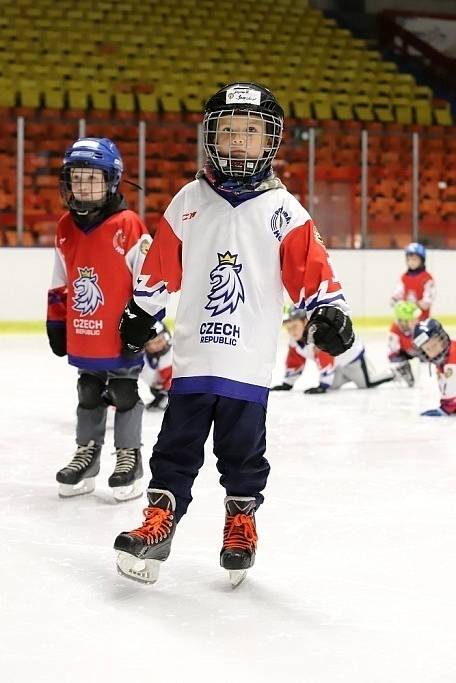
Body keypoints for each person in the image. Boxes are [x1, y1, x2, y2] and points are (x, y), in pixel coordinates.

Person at [113, 82, 354, 586]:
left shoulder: (285, 211)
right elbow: (160, 268)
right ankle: (159, 522)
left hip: (247, 361)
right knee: (176, 445)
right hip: (195, 358)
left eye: (250, 131)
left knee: (243, 450)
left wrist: (332, 314)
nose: (238, 141)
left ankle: (240, 521)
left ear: (270, 140)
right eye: (227, 131)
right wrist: (142, 308)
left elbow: (315, 278)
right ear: (211, 137)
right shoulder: (188, 201)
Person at [46, 137, 152, 501]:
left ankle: (130, 458)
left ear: (111, 181)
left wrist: (145, 322)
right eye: (77, 178)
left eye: (92, 177)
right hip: (85, 331)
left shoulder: (129, 224)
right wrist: (56, 322)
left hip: (120, 332)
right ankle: (87, 456)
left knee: (123, 390)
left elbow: (152, 277)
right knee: (88, 390)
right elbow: (60, 280)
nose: (83, 185)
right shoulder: (65, 226)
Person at [272, 307, 392, 393]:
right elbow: (294, 361)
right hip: (337, 365)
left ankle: (395, 371)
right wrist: (288, 383)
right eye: (288, 328)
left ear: (305, 322)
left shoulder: (316, 333)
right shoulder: (295, 342)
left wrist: (323, 384)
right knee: (331, 386)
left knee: (366, 384)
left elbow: (325, 357)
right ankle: (348, 376)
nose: (292, 331)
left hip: (352, 360)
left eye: (294, 326)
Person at [412, 319, 456, 416]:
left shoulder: (453, 358)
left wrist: (446, 409)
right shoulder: (444, 356)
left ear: (442, 339)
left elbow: (452, 398)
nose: (433, 351)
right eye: (428, 349)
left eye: (434, 345)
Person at [390, 242, 435, 321]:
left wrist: (415, 305)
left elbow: (427, 302)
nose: (411, 262)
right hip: (405, 321)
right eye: (409, 259)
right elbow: (398, 293)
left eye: (414, 259)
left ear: (422, 260)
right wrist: (395, 300)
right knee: (393, 332)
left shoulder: (427, 278)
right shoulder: (404, 277)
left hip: (422, 320)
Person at [388, 300, 421, 387]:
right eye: (412, 320)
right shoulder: (395, 330)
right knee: (395, 358)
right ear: (402, 322)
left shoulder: (419, 328)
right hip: (403, 354)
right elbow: (393, 351)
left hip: (417, 352)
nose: (416, 321)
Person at [140, 322, 172, 410]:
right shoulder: (141, 359)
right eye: (156, 342)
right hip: (156, 388)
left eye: (162, 339)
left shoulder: (172, 355)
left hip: (168, 389)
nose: (161, 343)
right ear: (146, 346)